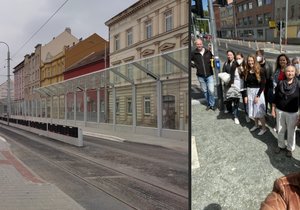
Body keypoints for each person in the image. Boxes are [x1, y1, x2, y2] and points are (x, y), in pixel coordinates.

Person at [271, 65, 299, 157]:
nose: (290, 73)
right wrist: (273, 109)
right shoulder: (280, 83)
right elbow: (275, 98)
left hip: (293, 112)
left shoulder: (299, 84)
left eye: (292, 71)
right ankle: (281, 145)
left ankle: (290, 148)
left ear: (295, 73)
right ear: (285, 72)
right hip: (280, 110)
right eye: (288, 71)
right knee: (280, 129)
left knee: (291, 131)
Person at [244, 54, 267, 135]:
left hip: (258, 92)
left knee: (259, 112)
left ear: (255, 61)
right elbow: (245, 83)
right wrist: (246, 95)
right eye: (249, 61)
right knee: (253, 110)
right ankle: (256, 125)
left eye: (251, 60)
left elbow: (263, 84)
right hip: (249, 92)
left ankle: (264, 128)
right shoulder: (247, 70)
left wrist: (258, 96)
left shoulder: (260, 70)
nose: (250, 62)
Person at [191, 38, 215, 110]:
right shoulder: (193, 53)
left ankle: (212, 104)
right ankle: (209, 104)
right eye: (198, 44)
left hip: (209, 74)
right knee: (205, 91)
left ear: (202, 44)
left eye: (200, 44)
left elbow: (213, 59)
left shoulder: (208, 52)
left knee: (211, 90)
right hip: (200, 76)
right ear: (196, 45)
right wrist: (194, 66)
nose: (199, 45)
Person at [226, 52, 247, 124]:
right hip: (236, 87)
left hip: (244, 87)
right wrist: (231, 84)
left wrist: (242, 70)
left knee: (245, 102)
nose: (238, 60)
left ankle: (246, 115)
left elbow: (247, 77)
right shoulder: (234, 66)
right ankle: (236, 116)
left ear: (242, 58)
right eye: (237, 58)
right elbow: (231, 76)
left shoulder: (245, 65)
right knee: (236, 103)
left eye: (239, 58)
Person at [272, 54, 291, 132]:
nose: (282, 61)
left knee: (286, 110)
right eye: (280, 60)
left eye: (283, 60)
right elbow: (274, 80)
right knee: (278, 110)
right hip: (277, 92)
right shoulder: (277, 70)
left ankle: (286, 125)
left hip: (287, 93)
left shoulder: (289, 69)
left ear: (286, 61)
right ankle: (277, 124)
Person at [256, 49, 274, 114]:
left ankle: (273, 115)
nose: (258, 57)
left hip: (268, 86)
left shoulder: (269, 64)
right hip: (259, 86)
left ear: (263, 56)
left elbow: (271, 76)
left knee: (270, 101)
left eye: (259, 55)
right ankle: (264, 113)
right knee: (262, 101)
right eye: (257, 55)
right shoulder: (256, 65)